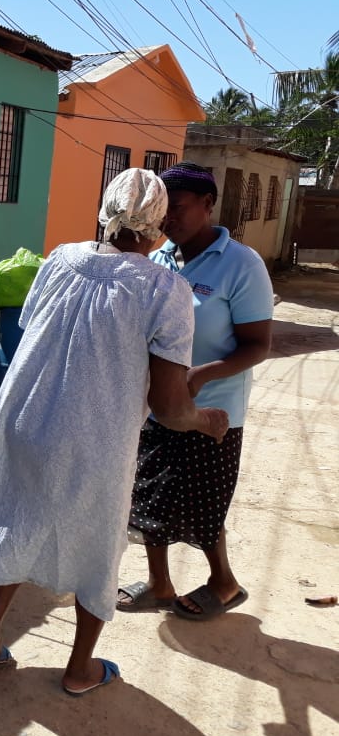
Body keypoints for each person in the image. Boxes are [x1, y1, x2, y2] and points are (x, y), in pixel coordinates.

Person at [0, 168, 229, 696]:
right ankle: (80, 669)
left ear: (103, 215)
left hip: (26, 419)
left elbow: (36, 328)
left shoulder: (59, 259)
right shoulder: (164, 289)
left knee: (19, 519)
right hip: (93, 439)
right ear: (158, 229)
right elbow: (169, 406)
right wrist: (204, 419)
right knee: (97, 549)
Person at [117, 162, 273, 620]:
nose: (170, 220)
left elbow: (257, 346)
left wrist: (200, 375)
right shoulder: (160, 258)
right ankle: (159, 584)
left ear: (208, 205)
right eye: (165, 211)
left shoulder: (241, 264)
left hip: (214, 409)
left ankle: (223, 583)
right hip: (157, 405)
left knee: (205, 502)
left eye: (179, 208)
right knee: (149, 498)